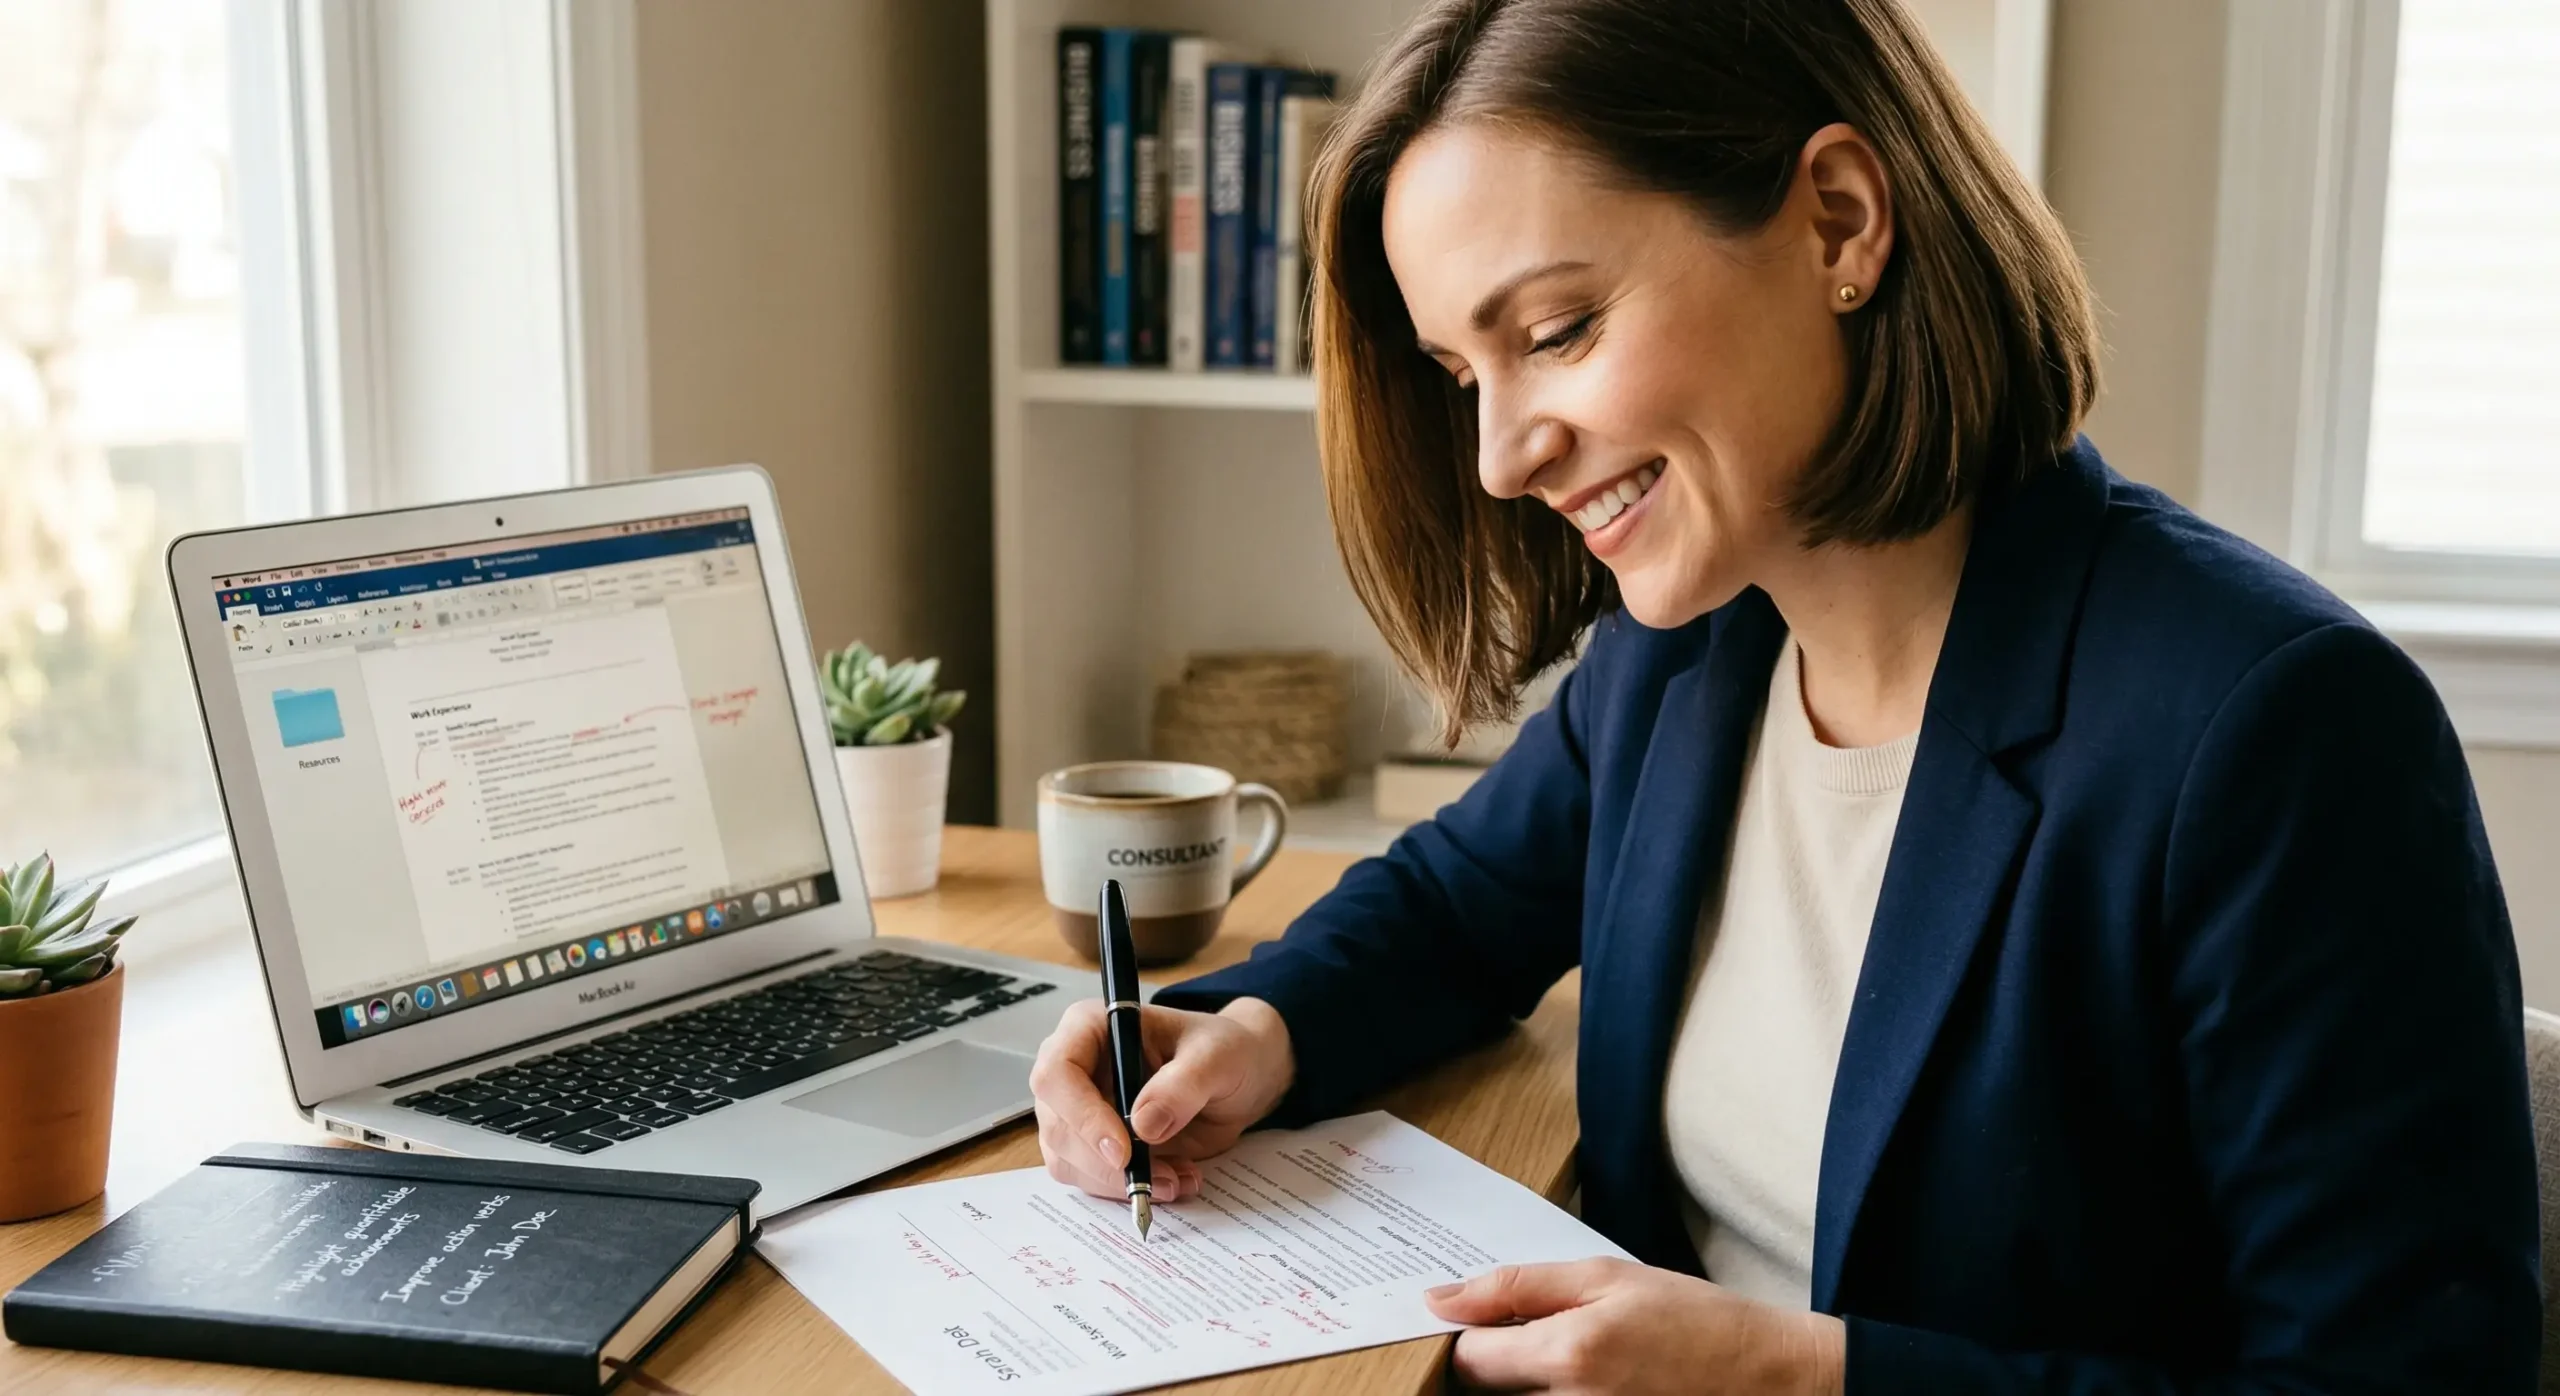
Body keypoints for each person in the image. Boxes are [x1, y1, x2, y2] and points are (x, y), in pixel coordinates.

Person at [1028, 0, 2540, 1389]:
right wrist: (1243, 1031)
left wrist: (1802, 1376)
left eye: (1554, 332)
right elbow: (1450, 907)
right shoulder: (1688, 649)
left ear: (1839, 220)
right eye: (1458, 371)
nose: (1498, 458)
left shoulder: (2279, 733)